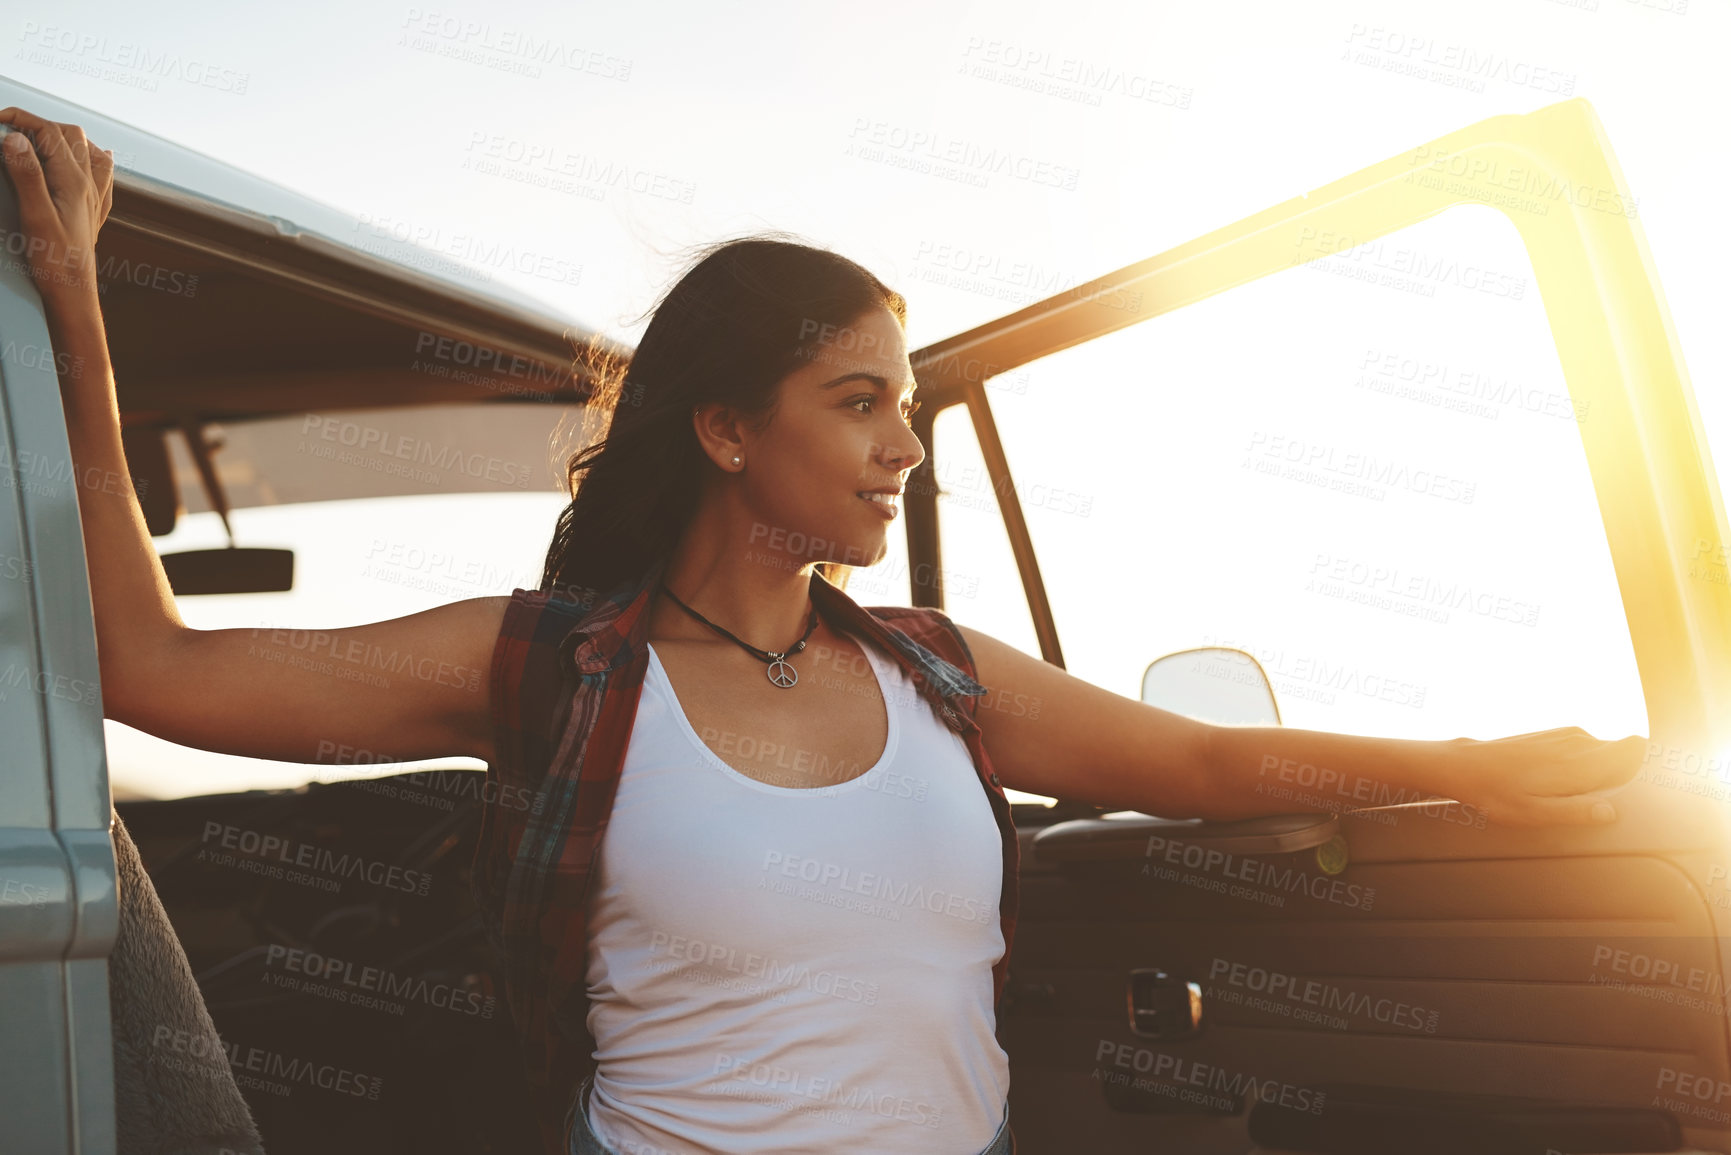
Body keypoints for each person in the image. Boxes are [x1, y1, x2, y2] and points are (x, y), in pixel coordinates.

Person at [0, 107, 1646, 1155]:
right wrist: (76, 315)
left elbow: (1211, 757)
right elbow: (158, 670)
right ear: (728, 430)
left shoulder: (935, 667)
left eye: (909, 404)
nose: (905, 444)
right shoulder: (557, 664)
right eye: (859, 403)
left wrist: (1476, 772)